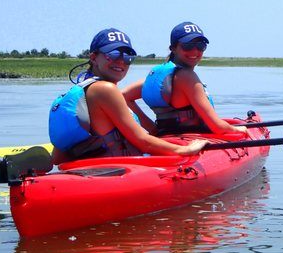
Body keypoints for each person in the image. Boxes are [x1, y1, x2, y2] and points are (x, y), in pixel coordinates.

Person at [48, 27, 207, 164]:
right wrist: (185, 149)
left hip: (89, 171)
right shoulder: (106, 89)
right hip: (114, 175)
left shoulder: (81, 92)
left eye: (128, 57)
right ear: (94, 58)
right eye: (114, 54)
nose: (121, 62)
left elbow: (58, 158)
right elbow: (143, 142)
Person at [123, 21, 248, 135]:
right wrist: (240, 129)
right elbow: (217, 127)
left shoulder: (155, 78)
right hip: (193, 139)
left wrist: (153, 129)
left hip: (164, 137)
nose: (195, 51)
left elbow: (124, 96)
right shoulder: (188, 77)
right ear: (173, 48)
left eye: (200, 45)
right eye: (187, 46)